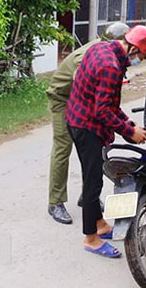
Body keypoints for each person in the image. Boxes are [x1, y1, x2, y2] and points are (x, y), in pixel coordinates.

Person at [65, 25, 146, 258]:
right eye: (142, 57)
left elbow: (110, 106)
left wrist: (131, 126)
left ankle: (100, 224)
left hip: (76, 118)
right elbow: (103, 111)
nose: (139, 61)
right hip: (87, 126)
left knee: (92, 174)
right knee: (92, 181)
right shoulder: (111, 67)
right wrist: (129, 132)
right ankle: (91, 238)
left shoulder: (102, 48)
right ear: (134, 48)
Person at [46, 22, 130, 224]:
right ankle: (55, 202)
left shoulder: (106, 50)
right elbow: (85, 91)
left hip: (80, 100)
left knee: (93, 148)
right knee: (63, 146)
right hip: (63, 98)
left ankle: (88, 196)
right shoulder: (91, 55)